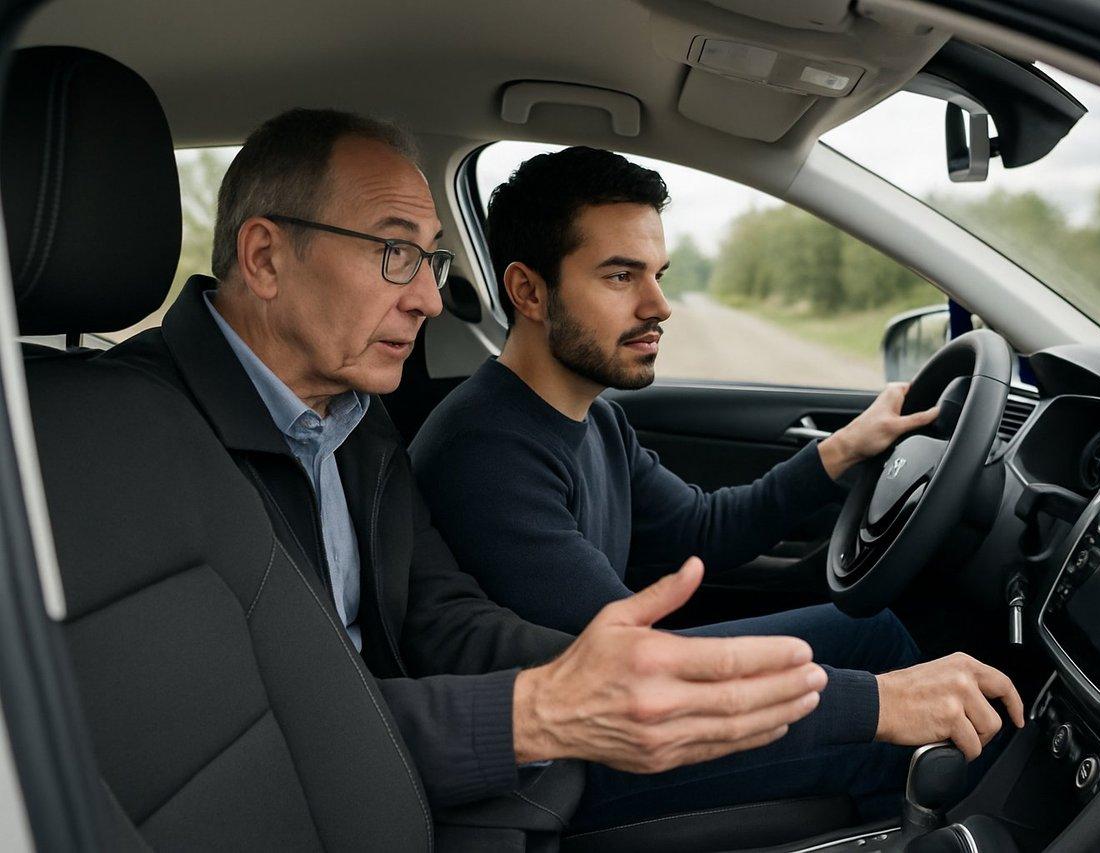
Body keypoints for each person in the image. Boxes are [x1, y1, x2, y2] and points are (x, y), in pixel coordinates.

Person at [109, 108, 1022, 833]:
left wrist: (838, 453)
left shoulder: (354, 422)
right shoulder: (141, 447)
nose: (429, 294)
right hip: (466, 785)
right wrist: (540, 708)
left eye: (428, 258)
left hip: (463, 760)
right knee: (896, 709)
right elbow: (263, 728)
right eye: (397, 253)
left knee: (878, 635)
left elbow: (451, 616)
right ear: (266, 256)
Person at [408, 147, 932, 685]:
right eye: (620, 276)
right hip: (583, 746)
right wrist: (882, 704)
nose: (659, 306)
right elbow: (627, 659)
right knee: (877, 644)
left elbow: (701, 529)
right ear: (530, 292)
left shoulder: (599, 421)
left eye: (658, 274)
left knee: (875, 631)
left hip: (624, 696)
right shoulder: (487, 452)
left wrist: (848, 445)